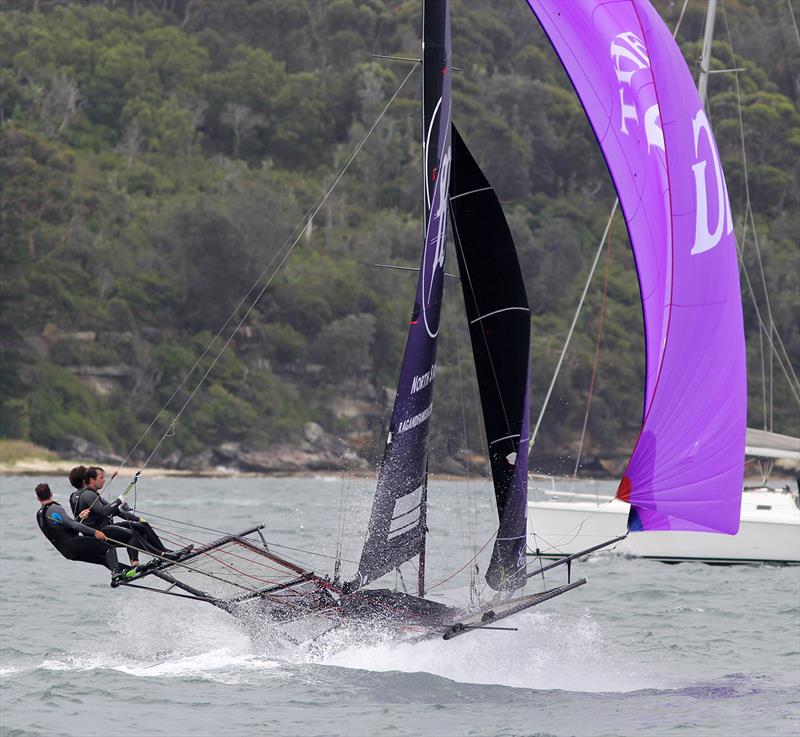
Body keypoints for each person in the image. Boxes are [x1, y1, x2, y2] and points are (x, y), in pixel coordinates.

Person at [71, 466, 188, 565]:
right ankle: (155, 557)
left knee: (141, 526)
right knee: (133, 533)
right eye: (101, 478)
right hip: (100, 532)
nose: (104, 480)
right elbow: (104, 511)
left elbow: (116, 511)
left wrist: (137, 518)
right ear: (91, 479)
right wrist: (118, 500)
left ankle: (164, 552)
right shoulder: (87, 495)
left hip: (106, 528)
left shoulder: (93, 494)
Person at [35, 482, 134, 584]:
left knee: (104, 560)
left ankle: (129, 571)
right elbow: (73, 525)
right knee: (109, 548)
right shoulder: (55, 509)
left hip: (67, 553)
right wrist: (95, 532)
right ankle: (116, 574)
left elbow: (63, 528)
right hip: (74, 544)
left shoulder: (39, 514)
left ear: (38, 498)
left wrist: (79, 518)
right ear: (51, 494)